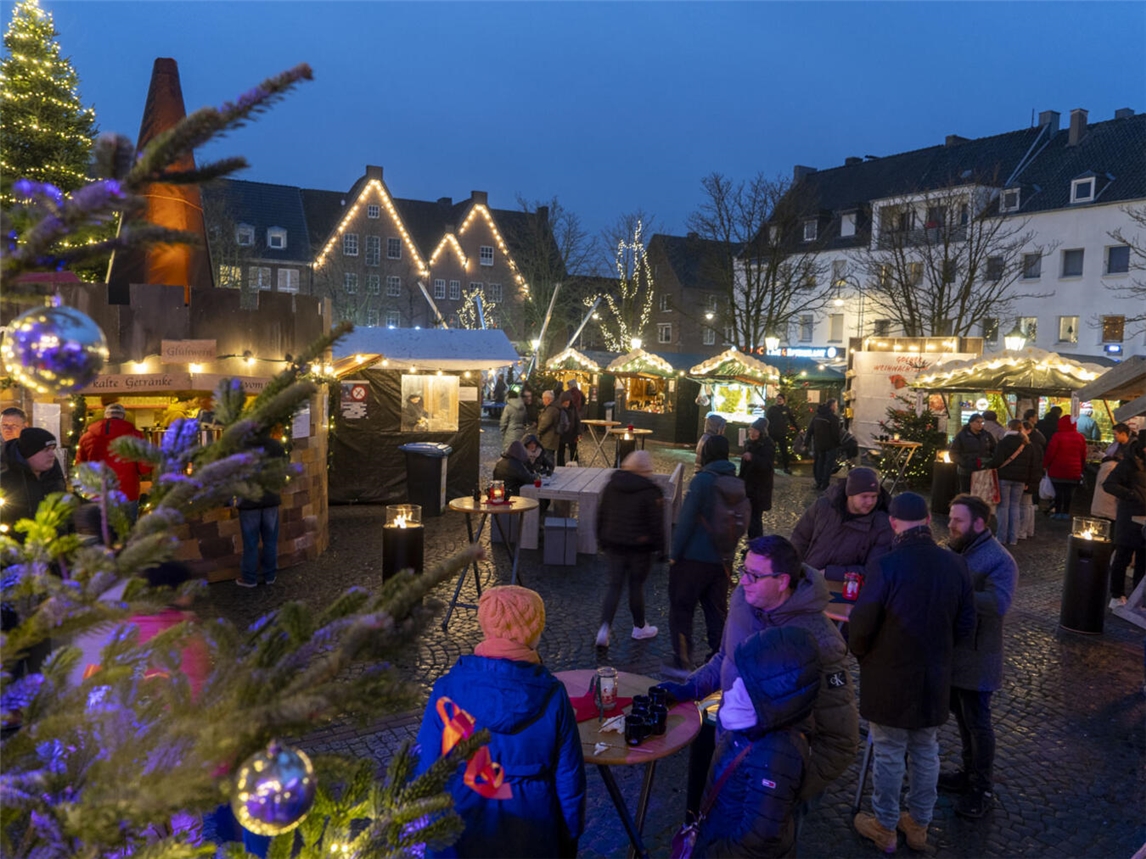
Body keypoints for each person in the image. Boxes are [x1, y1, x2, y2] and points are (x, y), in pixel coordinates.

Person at [658, 536, 859, 809]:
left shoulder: (821, 642)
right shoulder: (743, 601)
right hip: (728, 759)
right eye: (744, 570)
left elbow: (841, 742)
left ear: (783, 581)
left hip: (774, 787)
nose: (742, 582)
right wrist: (689, 688)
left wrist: (780, 788)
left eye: (754, 575)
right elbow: (725, 658)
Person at [415, 586, 585, 858]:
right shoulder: (553, 696)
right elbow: (569, 777)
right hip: (533, 826)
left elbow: (425, 768)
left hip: (462, 822)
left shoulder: (447, 689)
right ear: (532, 631)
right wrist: (571, 834)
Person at [849, 492, 975, 854]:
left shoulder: (887, 566)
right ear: (927, 521)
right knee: (926, 749)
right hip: (934, 675)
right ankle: (919, 824)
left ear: (893, 523)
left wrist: (864, 655)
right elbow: (967, 626)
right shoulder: (955, 565)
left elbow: (861, 626)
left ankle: (885, 825)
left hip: (890, 675)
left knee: (889, 751)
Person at [692, 627, 822, 859]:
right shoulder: (752, 725)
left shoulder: (777, 753)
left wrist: (711, 854)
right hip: (717, 834)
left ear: (775, 690)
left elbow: (758, 839)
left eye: (747, 683)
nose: (735, 689)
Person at [942, 494, 1018, 819]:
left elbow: (998, 603)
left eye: (957, 521)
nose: (950, 526)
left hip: (978, 656)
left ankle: (982, 788)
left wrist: (955, 591)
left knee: (978, 722)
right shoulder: (958, 550)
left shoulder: (999, 560)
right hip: (955, 653)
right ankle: (966, 772)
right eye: (950, 519)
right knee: (961, 716)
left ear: (979, 524)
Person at [669, 435, 737, 672]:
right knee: (715, 611)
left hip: (693, 559)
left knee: (681, 608)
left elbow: (686, 520)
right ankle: (718, 658)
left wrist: (674, 553)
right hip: (721, 559)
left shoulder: (702, 481)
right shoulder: (735, 481)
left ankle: (682, 659)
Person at [595, 450, 663, 646]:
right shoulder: (651, 491)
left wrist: (600, 539)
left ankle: (604, 629)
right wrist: (661, 549)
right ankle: (640, 627)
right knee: (635, 586)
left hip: (614, 544)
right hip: (640, 548)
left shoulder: (611, 484)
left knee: (614, 586)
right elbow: (656, 524)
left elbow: (601, 513)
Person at [790, 466, 893, 583]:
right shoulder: (823, 507)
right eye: (864, 497)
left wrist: (829, 573)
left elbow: (874, 569)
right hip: (807, 578)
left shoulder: (881, 524)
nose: (870, 502)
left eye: (874, 496)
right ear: (850, 494)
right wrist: (797, 566)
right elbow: (800, 538)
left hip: (844, 586)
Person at [75, 403, 150, 524]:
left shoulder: (86, 437)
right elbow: (144, 468)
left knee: (101, 528)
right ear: (123, 416)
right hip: (127, 492)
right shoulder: (136, 436)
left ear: (105, 416)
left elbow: (80, 467)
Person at [235, 429, 285, 588]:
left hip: (249, 501)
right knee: (270, 541)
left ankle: (250, 579)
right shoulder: (276, 446)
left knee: (250, 543)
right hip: (271, 499)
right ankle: (270, 576)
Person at [1103, 440, 1146, 609]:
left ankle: (1138, 597)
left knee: (1143, 560)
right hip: (1128, 517)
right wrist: (1130, 494)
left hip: (1144, 520)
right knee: (1123, 557)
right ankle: (1116, 594)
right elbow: (1109, 484)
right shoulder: (1127, 464)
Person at [1, 427, 67, 536]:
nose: (52, 455)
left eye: (52, 449)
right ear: (28, 453)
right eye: (46, 450)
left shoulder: (53, 473)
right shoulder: (5, 478)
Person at [983, 419, 1038, 546]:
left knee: (1003, 507)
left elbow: (997, 461)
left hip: (1004, 478)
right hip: (1021, 480)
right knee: (1015, 507)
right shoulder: (1026, 444)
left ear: (1008, 427)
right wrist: (1028, 481)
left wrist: (989, 465)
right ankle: (1013, 538)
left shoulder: (1003, 442)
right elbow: (1031, 464)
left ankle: (1002, 537)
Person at [1043, 413, 1087, 519]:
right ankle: (1066, 513)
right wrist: (1081, 468)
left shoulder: (1057, 436)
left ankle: (1057, 512)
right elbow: (1083, 455)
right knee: (1068, 494)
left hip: (1057, 470)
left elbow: (1050, 452)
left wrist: (1044, 464)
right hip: (1074, 471)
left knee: (1058, 493)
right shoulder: (1080, 437)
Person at [739, 417, 775, 539]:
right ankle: (752, 542)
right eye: (751, 430)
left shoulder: (768, 444)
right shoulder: (748, 443)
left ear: (761, 432)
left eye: (755, 431)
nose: (752, 433)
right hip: (748, 486)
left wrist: (753, 458)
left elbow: (767, 465)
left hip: (759, 488)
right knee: (750, 516)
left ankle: (756, 543)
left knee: (755, 517)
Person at [949, 413, 996, 494]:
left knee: (981, 493)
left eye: (982, 422)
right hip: (966, 470)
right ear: (971, 423)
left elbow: (994, 449)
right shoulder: (962, 435)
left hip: (983, 469)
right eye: (977, 422)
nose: (980, 425)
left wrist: (990, 461)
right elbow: (954, 452)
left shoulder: (987, 435)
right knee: (966, 492)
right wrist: (963, 463)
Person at [808, 399, 842, 491]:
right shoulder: (833, 418)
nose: (837, 407)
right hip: (830, 445)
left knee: (819, 463)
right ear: (832, 406)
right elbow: (835, 433)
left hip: (818, 445)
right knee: (828, 465)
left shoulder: (817, 416)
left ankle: (818, 482)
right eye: (836, 405)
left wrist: (806, 443)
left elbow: (810, 430)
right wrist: (839, 444)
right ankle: (825, 484)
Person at [766, 394, 800, 475]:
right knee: (771, 451)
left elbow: (792, 420)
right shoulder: (772, 409)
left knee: (784, 451)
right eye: (777, 399)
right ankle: (770, 467)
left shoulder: (786, 409)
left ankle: (786, 467)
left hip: (782, 434)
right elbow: (767, 420)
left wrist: (799, 429)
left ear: (784, 400)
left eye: (780, 399)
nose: (778, 400)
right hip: (772, 433)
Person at [556, 392, 580, 466]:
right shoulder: (558, 409)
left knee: (573, 451)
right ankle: (560, 466)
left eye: (568, 401)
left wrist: (579, 432)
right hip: (562, 434)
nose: (566, 403)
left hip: (572, 433)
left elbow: (577, 420)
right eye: (565, 402)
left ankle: (574, 465)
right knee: (560, 452)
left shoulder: (573, 408)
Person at [536, 390, 560, 458]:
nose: (543, 400)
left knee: (547, 458)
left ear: (548, 399)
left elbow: (545, 423)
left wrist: (538, 431)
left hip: (548, 439)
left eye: (543, 398)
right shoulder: (553, 408)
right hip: (551, 438)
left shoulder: (550, 410)